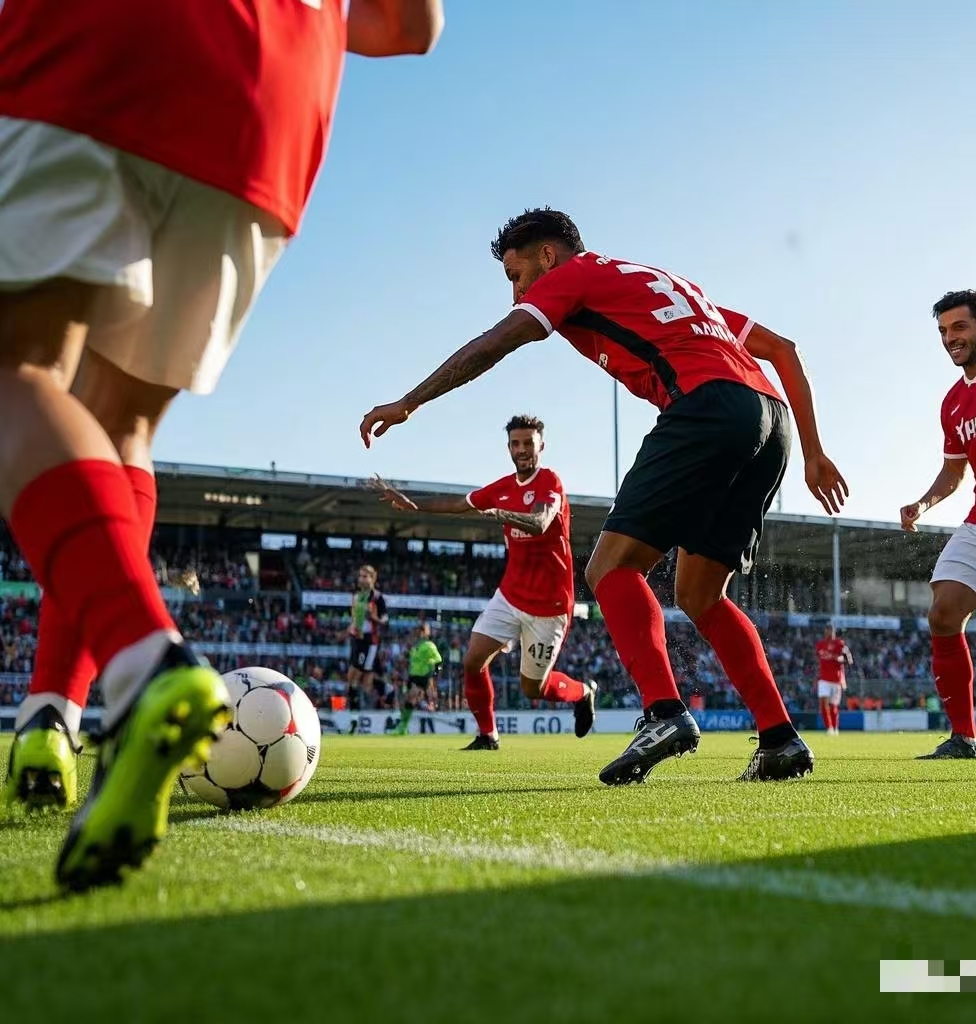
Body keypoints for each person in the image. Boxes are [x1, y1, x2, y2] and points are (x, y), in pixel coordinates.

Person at [0, 0, 443, 891]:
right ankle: (54, 709)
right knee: (119, 425)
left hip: (102, 40)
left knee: (18, 369)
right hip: (272, 93)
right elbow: (412, 27)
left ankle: (142, 664)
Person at [361, 207, 847, 783]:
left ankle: (664, 714)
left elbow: (496, 342)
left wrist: (410, 402)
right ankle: (780, 739)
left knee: (611, 567)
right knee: (700, 594)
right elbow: (783, 349)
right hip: (772, 422)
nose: (516, 294)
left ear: (548, 256)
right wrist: (813, 452)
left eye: (517, 276)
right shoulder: (668, 286)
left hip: (706, 406)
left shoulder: (575, 274)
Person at [372, 415, 597, 749]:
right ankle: (488, 735)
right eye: (516, 444)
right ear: (509, 448)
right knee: (472, 661)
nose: (522, 449)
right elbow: (458, 504)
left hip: (549, 605)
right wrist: (413, 503)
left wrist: (501, 514)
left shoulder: (550, 481)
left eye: (528, 443)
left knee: (532, 688)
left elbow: (540, 521)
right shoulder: (502, 488)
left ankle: (582, 692)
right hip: (510, 595)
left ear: (541, 446)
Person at [901, 289, 976, 760]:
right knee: (943, 615)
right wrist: (923, 503)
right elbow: (954, 472)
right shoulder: (952, 403)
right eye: (943, 331)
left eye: (959, 327)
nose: (950, 338)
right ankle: (964, 739)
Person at [347, 565, 389, 708]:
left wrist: (374, 618)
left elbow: (385, 619)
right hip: (356, 638)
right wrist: (351, 629)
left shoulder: (377, 597)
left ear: (373, 579)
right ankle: (354, 707)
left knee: (362, 675)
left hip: (369, 641)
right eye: (360, 576)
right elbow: (354, 618)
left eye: (365, 576)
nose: (361, 579)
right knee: (352, 675)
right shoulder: (356, 596)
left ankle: (382, 695)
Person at [815, 624, 852, 735]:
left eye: (831, 630)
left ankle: (835, 728)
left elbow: (849, 660)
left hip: (836, 679)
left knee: (833, 706)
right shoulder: (820, 645)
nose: (829, 632)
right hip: (823, 679)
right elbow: (818, 659)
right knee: (823, 704)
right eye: (827, 630)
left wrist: (840, 659)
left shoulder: (839, 644)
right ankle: (829, 728)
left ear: (834, 632)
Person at [407, 622, 444, 711]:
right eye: (418, 630)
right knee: (412, 695)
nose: (419, 632)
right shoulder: (415, 646)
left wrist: (435, 672)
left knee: (430, 695)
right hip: (414, 675)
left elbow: (439, 659)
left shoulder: (429, 645)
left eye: (422, 630)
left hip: (425, 675)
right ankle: (415, 709)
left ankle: (433, 709)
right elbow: (412, 661)